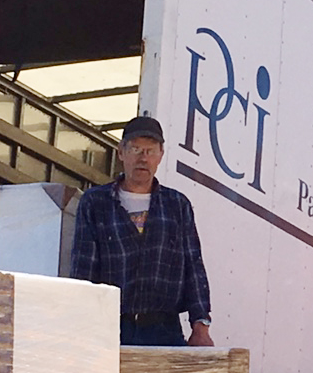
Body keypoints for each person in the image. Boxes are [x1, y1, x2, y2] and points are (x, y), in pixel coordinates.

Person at [70, 116, 213, 346]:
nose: (143, 158)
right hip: (110, 326)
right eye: (136, 149)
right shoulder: (95, 203)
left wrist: (200, 326)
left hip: (165, 329)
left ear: (161, 155)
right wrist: (80, 328)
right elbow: (82, 271)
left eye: (150, 151)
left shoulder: (177, 205)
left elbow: (193, 268)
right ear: (121, 152)